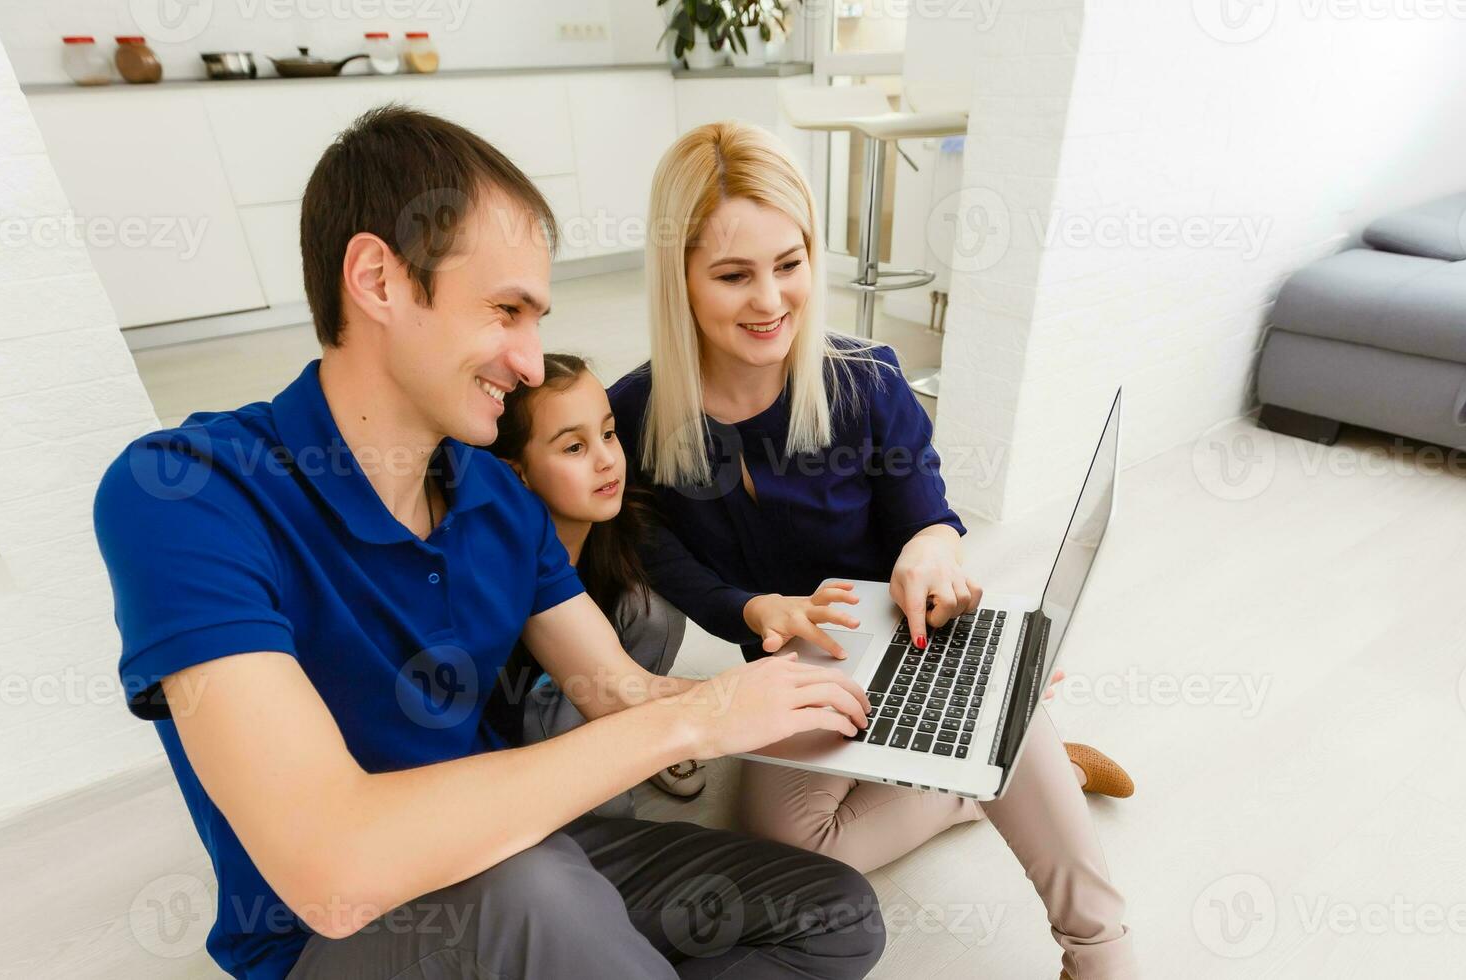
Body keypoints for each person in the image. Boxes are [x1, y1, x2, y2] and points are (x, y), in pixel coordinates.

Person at [92, 106, 886, 980]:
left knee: (836, 912)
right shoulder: (188, 493)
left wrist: (790, 705)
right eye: (506, 311)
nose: (533, 362)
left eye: (536, 318)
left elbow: (620, 693)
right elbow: (333, 867)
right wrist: (695, 718)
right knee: (534, 892)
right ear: (378, 280)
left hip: (524, 856)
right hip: (342, 934)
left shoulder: (496, 498)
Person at [607, 121, 1141, 980]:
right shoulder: (635, 413)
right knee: (785, 847)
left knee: (995, 693)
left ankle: (1099, 946)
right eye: (734, 274)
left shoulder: (867, 379)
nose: (771, 300)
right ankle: (985, 780)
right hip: (799, 667)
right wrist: (748, 610)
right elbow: (654, 551)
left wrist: (931, 548)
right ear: (678, 279)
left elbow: (926, 511)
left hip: (906, 634)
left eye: (790, 263)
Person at [484, 351, 705, 804]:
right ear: (517, 474)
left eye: (608, 433)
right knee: (611, 808)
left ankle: (641, 741)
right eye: (574, 447)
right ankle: (612, 755)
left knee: (654, 612)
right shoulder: (505, 564)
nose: (607, 460)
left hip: (595, 680)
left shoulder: (615, 521)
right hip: (517, 719)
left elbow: (690, 579)